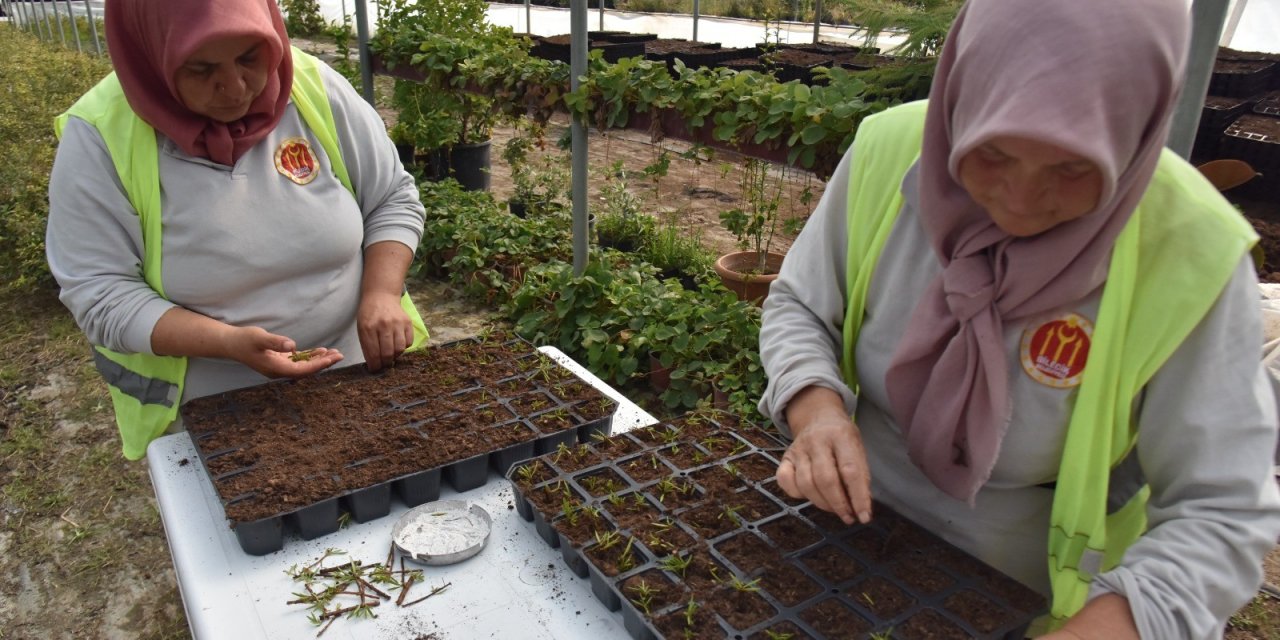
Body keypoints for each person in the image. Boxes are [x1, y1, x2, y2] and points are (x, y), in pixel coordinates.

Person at [758, 0, 1280, 638]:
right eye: (994, 152)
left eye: (1071, 168)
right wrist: (817, 412)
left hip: (1024, 590)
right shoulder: (889, 150)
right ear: (959, 103)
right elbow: (800, 304)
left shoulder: (1190, 252)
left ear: (1135, 137)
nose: (1021, 200)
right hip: (840, 536)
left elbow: (1221, 511)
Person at [45, 0, 429, 461]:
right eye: (201, 68)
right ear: (152, 56)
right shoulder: (101, 136)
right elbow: (100, 291)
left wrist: (382, 294)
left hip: (361, 373)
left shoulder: (310, 86)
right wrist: (229, 343)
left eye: (250, 56)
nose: (235, 86)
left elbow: (390, 197)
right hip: (218, 412)